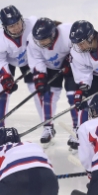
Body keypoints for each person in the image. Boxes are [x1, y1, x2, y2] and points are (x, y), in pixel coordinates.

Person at [27, 17, 77, 148]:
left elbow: (79, 48)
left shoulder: (68, 32)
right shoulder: (32, 41)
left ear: (53, 34)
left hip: (71, 66)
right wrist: (40, 78)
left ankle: (78, 128)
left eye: (45, 39)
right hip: (50, 67)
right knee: (47, 96)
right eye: (40, 40)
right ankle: (48, 127)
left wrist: (70, 60)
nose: (42, 43)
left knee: (74, 96)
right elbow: (36, 60)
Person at [0, 5, 36, 130]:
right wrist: (6, 77)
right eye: (11, 26)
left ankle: (48, 126)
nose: (16, 28)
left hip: (30, 58)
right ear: (5, 27)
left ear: (22, 19)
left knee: (40, 87)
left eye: (18, 23)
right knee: (0, 89)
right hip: (8, 61)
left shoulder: (33, 25)